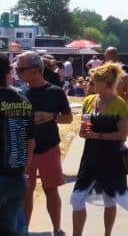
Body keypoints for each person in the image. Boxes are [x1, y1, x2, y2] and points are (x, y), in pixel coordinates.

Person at [72, 63, 128, 236]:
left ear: (105, 84)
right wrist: (86, 132)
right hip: (89, 158)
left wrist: (98, 136)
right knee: (77, 199)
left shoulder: (119, 105)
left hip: (111, 158)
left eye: (94, 82)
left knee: (109, 200)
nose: (91, 85)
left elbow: (122, 135)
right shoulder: (89, 101)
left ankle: (107, 233)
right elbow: (83, 131)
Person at [15, 52, 71, 236]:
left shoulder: (55, 92)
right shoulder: (19, 93)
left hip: (49, 148)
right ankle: (25, 230)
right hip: (25, 151)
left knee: (50, 189)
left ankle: (57, 228)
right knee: (26, 193)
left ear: (35, 70)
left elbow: (69, 118)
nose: (17, 72)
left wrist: (51, 116)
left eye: (20, 69)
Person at [0, 54, 35, 236]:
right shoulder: (23, 100)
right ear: (8, 72)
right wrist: (24, 170)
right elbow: (30, 141)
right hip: (17, 175)